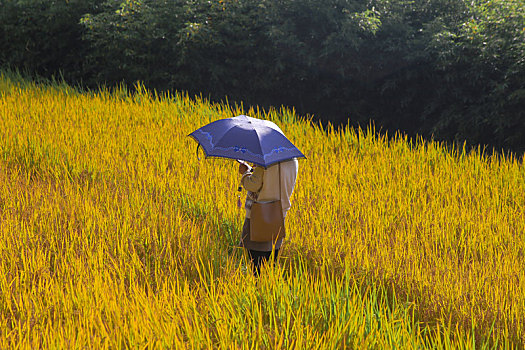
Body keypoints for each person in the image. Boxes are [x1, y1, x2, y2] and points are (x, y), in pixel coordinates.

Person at [238, 158, 299, 276]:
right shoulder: (293, 161)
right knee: (271, 260)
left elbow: (253, 185)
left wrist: (246, 172)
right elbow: (273, 182)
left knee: (256, 263)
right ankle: (269, 289)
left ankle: (257, 289)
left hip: (259, 215)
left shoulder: (265, 161)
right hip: (279, 215)